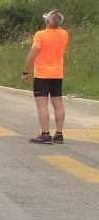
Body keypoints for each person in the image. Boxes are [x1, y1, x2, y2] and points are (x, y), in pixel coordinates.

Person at [24, 9, 69, 144]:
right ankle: (59, 134)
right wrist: (53, 19)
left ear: (48, 21)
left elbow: (33, 54)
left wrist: (26, 71)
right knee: (58, 104)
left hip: (43, 74)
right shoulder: (64, 34)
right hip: (57, 74)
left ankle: (45, 134)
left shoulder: (40, 35)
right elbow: (57, 26)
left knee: (42, 105)